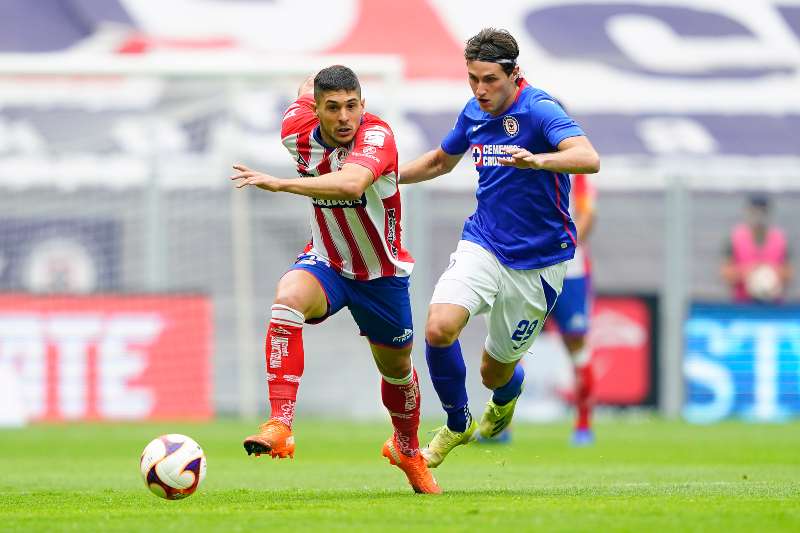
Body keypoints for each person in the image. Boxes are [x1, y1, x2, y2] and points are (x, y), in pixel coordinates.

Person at [230, 65, 440, 494]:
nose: (345, 117)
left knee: (398, 371)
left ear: (363, 104)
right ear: (317, 110)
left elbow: (351, 183)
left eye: (352, 106)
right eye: (333, 108)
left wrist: (281, 184)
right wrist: (309, 82)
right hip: (326, 262)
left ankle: (407, 449)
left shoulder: (377, 137)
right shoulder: (295, 128)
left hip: (381, 276)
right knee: (287, 298)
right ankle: (280, 423)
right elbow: (303, 86)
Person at [399, 28, 600, 468]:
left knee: (496, 373)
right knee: (438, 327)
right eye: (473, 78)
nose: (480, 89)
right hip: (483, 243)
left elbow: (589, 157)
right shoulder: (473, 112)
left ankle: (507, 394)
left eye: (489, 79)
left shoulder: (540, 109)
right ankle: (456, 422)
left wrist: (539, 159)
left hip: (539, 264)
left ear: (514, 73)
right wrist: (386, 177)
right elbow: (440, 161)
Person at [550, 172, 597, 446]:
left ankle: (583, 423)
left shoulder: (576, 168)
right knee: (512, 342)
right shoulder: (525, 156)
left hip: (572, 272)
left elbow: (587, 214)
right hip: (530, 268)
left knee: (577, 343)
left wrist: (564, 246)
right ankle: (501, 424)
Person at [721, 194, 792, 303]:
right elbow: (726, 274)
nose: (758, 217)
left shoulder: (780, 239)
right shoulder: (734, 238)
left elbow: (789, 273)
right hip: (742, 305)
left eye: (762, 212)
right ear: (748, 213)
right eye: (754, 212)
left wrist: (770, 272)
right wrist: (749, 272)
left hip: (774, 305)